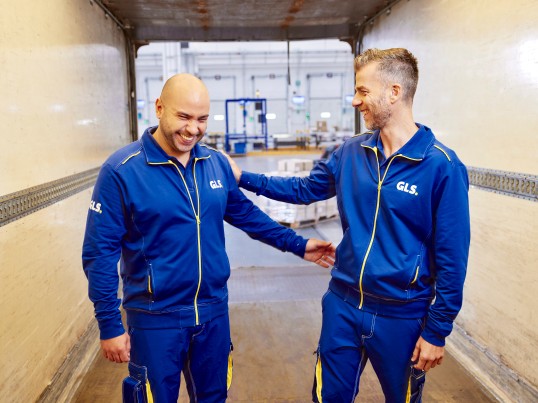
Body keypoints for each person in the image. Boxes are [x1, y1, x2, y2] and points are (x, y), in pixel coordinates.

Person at [226, 48, 470, 402]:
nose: (355, 101)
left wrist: (437, 331)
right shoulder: (350, 152)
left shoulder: (441, 166)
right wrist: (244, 177)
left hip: (401, 314)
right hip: (342, 304)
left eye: (363, 91)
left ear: (394, 92)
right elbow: (304, 189)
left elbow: (452, 259)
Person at [82, 73, 335, 403]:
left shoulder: (215, 164)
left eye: (202, 119)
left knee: (213, 397)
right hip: (156, 319)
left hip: (213, 314)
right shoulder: (122, 170)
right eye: (183, 117)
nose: (193, 129)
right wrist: (110, 324)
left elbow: (247, 216)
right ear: (159, 108)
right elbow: (99, 254)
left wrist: (298, 244)